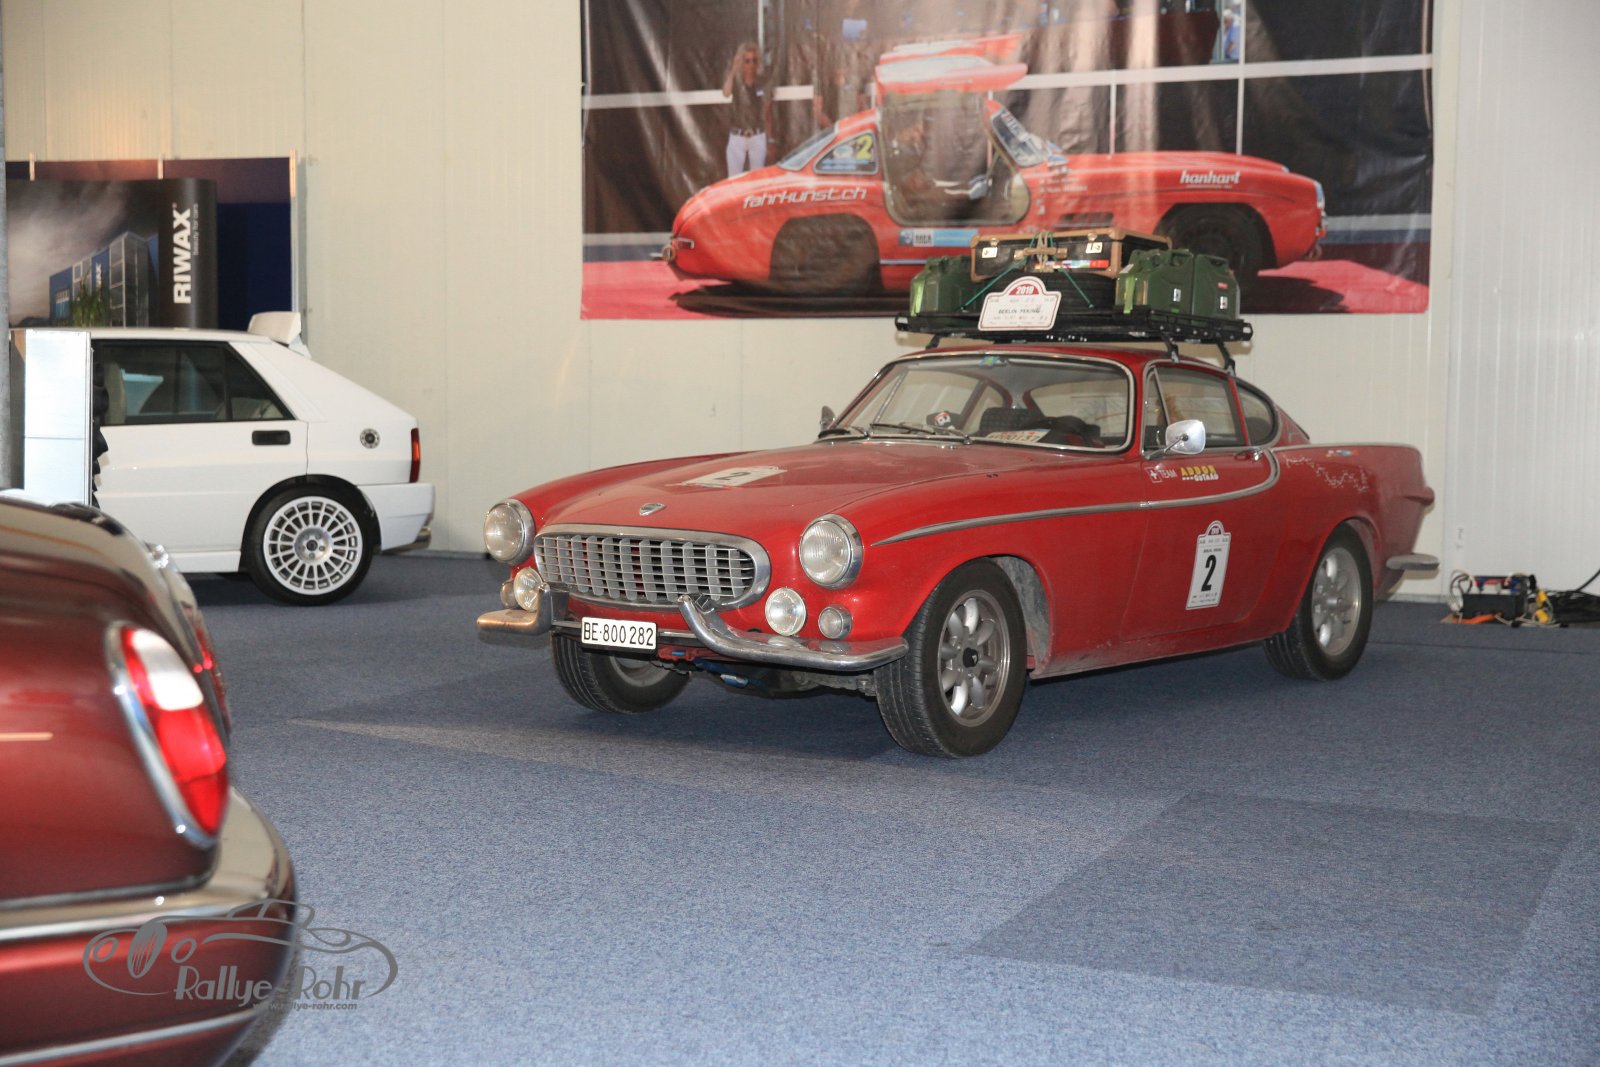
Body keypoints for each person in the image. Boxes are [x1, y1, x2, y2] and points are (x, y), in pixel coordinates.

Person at [722, 42, 773, 176]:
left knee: (757, 177)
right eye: (747, 61)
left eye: (754, 61)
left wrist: (770, 139)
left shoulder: (763, 82)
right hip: (737, 136)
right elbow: (726, 93)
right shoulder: (736, 80)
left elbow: (767, 112)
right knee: (734, 178)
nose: (751, 65)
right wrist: (734, 69)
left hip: (757, 135)